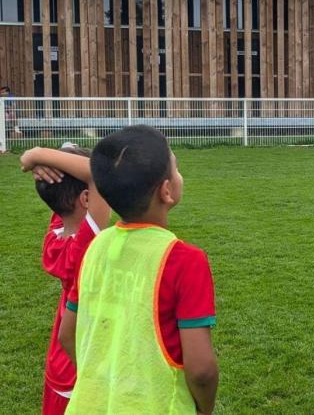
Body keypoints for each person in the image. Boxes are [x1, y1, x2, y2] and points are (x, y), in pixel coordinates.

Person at [57, 125, 219, 415]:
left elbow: (66, 335)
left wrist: (105, 382)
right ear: (166, 191)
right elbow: (202, 370)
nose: (180, 175)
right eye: (176, 168)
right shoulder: (184, 260)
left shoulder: (96, 246)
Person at [19, 143, 111, 415]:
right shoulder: (85, 244)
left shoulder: (55, 239)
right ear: (86, 199)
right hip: (83, 357)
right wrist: (35, 155)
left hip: (59, 364)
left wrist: (48, 162)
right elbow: (99, 174)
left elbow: (64, 191)